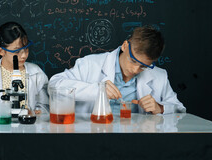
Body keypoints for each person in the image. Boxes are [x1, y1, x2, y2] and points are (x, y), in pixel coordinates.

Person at [48, 26, 186, 115]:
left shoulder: (159, 76)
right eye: (133, 61)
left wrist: (160, 108)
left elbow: (179, 109)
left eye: (144, 66)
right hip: (93, 136)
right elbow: (54, 84)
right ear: (125, 46)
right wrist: (97, 90)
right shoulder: (91, 64)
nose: (135, 70)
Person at [0, 22, 49, 116]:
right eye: (17, 51)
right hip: (0, 127)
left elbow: (45, 105)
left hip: (30, 127)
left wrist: (34, 112)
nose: (24, 55)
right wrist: (8, 112)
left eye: (26, 49)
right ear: (1, 51)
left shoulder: (36, 73)